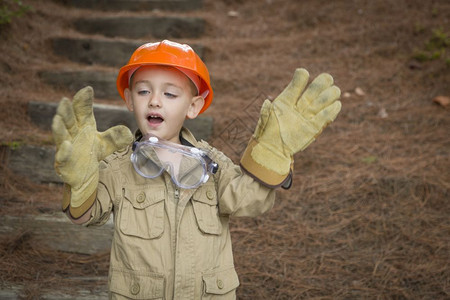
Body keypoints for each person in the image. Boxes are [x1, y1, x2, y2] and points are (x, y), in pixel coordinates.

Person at [52, 40, 341, 299]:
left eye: (170, 94)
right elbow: (85, 216)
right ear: (129, 99)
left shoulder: (212, 164)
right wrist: (83, 179)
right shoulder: (117, 167)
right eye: (143, 91)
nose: (154, 100)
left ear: (194, 106)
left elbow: (248, 199)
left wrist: (274, 151)